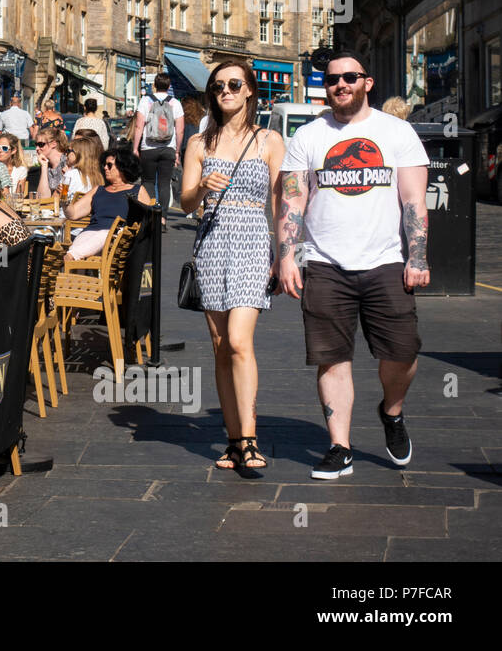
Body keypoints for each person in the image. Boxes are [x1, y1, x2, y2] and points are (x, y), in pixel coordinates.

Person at [277, 52, 430, 480]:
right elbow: (292, 199)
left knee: (402, 352)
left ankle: (392, 412)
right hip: (325, 264)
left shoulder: (397, 132)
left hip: (386, 262)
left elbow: (414, 200)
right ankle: (339, 447)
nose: (340, 85)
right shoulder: (307, 136)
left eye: (349, 78)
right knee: (332, 358)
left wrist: (417, 256)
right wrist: (288, 254)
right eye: (331, 80)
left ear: (367, 82)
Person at [180, 60, 285, 472]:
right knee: (221, 347)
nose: (225, 90)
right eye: (218, 85)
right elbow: (185, 203)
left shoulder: (269, 141)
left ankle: (251, 435)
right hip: (211, 243)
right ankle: (233, 439)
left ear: (249, 92)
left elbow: (278, 202)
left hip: (253, 242)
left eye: (234, 84)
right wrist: (200, 187)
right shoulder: (198, 144)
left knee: (240, 341)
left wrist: (284, 251)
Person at [64, 148, 153, 260]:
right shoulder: (98, 190)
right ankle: (71, 261)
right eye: (104, 165)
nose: (105, 168)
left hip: (117, 237)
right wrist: (65, 203)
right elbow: (73, 214)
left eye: (109, 165)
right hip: (91, 233)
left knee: (106, 235)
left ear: (122, 167)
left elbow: (151, 220)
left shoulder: (137, 190)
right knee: (82, 242)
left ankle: (70, 257)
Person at [133, 72, 184, 231]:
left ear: (154, 85)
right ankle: (162, 219)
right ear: (168, 87)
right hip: (168, 148)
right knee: (164, 183)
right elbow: (180, 130)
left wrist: (135, 147)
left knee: (148, 182)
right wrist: (177, 152)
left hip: (149, 148)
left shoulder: (145, 101)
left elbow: (139, 126)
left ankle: (150, 216)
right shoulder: (175, 103)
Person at [35, 129, 75, 198]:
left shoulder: (68, 163)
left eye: (41, 144)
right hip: (50, 207)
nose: (37, 148)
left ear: (53, 144)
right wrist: (44, 167)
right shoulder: (47, 166)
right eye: (36, 144)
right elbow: (42, 199)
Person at [0, 132, 30, 197]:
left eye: (4, 148)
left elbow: (18, 197)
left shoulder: (21, 170)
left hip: (12, 205)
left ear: (13, 150)